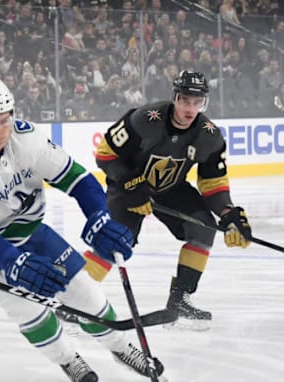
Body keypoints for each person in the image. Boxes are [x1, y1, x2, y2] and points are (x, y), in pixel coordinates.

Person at [0, 77, 159, 382]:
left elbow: (79, 180)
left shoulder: (29, 139)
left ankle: (120, 346)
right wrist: (16, 263)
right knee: (23, 302)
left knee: (85, 292)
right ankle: (67, 357)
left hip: (24, 227)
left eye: (4, 120)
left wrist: (100, 217)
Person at [95, 70, 252, 331]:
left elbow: (212, 183)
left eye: (197, 102)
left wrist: (228, 213)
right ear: (175, 98)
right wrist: (129, 183)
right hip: (130, 185)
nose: (190, 109)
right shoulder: (145, 119)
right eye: (185, 101)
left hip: (171, 188)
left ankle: (180, 299)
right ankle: (76, 296)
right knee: (116, 240)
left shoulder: (209, 136)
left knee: (203, 228)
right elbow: (106, 154)